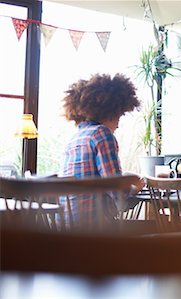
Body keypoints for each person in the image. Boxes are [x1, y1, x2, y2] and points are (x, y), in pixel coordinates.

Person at [59, 73, 144, 224]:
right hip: (95, 230)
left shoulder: (75, 138)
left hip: (66, 229)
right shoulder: (102, 134)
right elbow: (119, 196)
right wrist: (137, 185)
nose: (118, 124)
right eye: (119, 116)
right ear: (109, 112)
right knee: (155, 228)